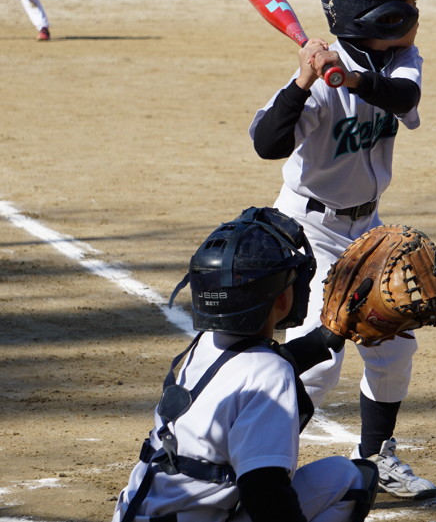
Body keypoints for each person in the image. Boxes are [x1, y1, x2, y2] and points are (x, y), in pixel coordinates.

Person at [248, 0, 436, 500]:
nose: (418, 7)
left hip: (368, 228)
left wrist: (351, 78)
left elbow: (400, 98)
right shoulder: (319, 80)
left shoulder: (400, 61)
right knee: (318, 363)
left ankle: (376, 455)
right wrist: (305, 78)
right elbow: (266, 143)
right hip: (308, 230)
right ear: (388, 16)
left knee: (394, 344)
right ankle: (263, 473)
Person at [113, 206, 378, 522]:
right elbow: (265, 492)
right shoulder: (268, 374)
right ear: (280, 299)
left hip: (140, 511)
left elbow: (255, 370)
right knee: (352, 481)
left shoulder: (202, 348)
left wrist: (327, 336)